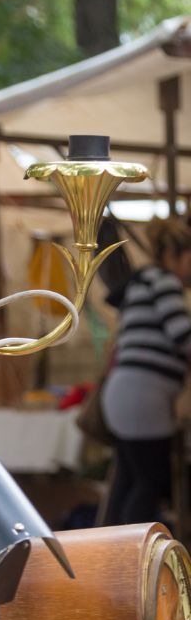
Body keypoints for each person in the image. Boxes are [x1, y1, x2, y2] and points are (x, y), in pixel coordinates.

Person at [102, 218, 191, 526]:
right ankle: (129, 555)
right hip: (143, 398)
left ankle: (111, 549)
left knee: (130, 479)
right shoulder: (164, 282)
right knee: (151, 482)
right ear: (175, 255)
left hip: (125, 394)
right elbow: (183, 336)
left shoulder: (141, 282)